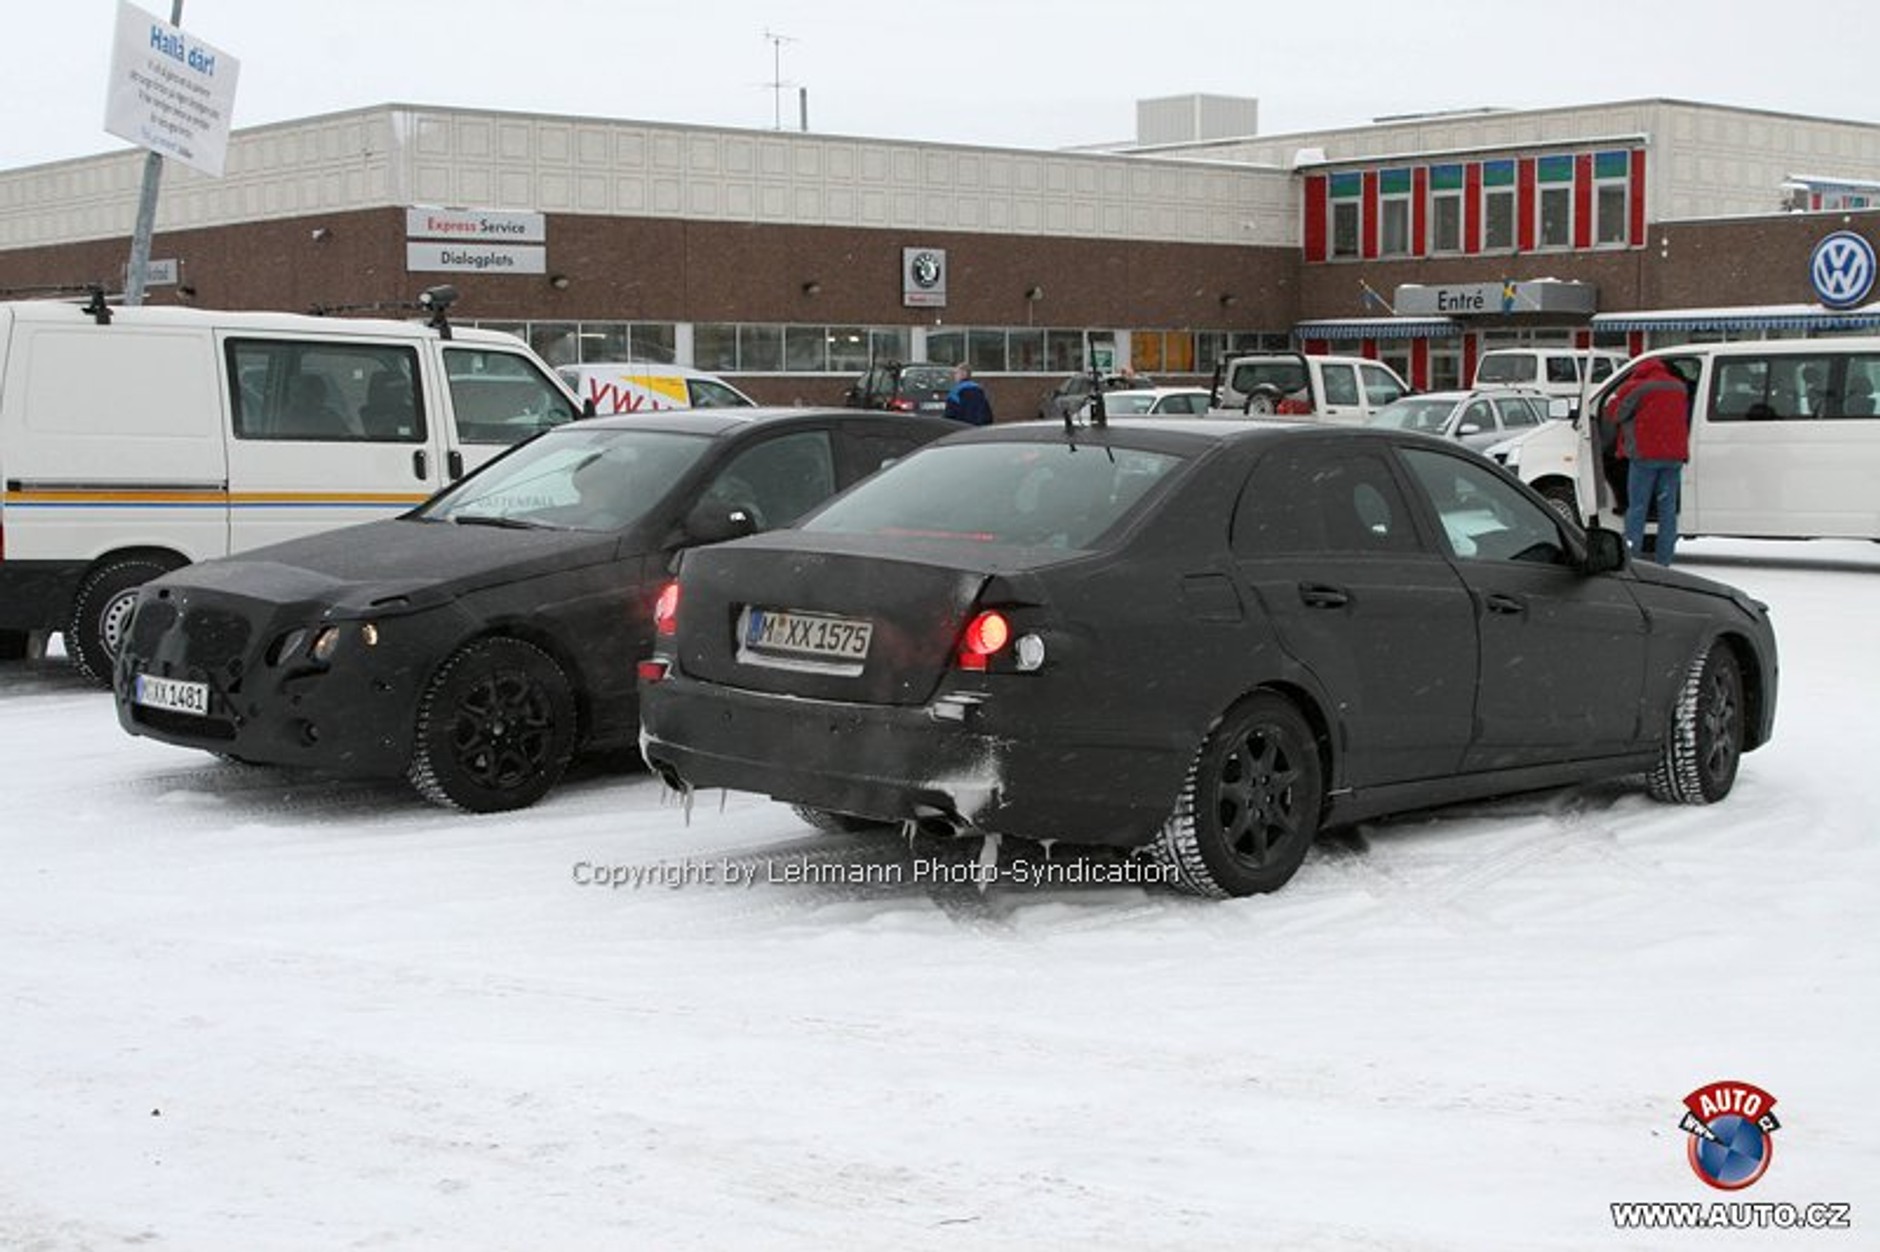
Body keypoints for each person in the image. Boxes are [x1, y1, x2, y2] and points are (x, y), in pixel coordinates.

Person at [1606, 358, 1691, 564]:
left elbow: (1615, 414)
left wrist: (1614, 400)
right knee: (1667, 511)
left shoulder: (1637, 387)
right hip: (1673, 456)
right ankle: (1664, 560)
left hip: (1644, 456)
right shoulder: (1679, 387)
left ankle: (1632, 558)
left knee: (1637, 508)